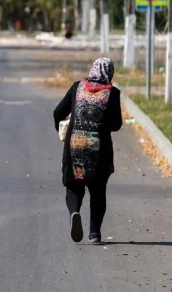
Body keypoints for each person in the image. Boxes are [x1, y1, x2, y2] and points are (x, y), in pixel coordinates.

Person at [53, 58, 123, 244]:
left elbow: (57, 112)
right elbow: (116, 125)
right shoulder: (113, 93)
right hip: (99, 149)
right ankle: (94, 233)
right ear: (110, 73)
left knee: (74, 186)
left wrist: (62, 131)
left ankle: (74, 212)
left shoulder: (77, 87)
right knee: (98, 191)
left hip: (75, 145)